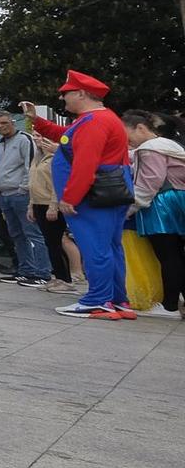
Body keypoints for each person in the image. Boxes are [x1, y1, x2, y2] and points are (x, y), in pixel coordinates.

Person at [27, 72, 135, 320]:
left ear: (81, 93)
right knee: (109, 247)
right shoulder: (98, 119)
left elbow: (85, 163)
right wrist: (38, 121)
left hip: (92, 196)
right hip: (106, 192)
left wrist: (70, 197)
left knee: (95, 247)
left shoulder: (93, 122)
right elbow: (66, 139)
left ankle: (98, 300)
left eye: (66, 93)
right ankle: (117, 300)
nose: (63, 98)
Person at [124, 109, 185, 320]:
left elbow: (149, 183)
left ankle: (169, 307)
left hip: (162, 204)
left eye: (128, 136)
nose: (128, 142)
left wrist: (129, 209)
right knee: (176, 254)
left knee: (168, 256)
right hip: (177, 200)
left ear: (140, 128)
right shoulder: (169, 144)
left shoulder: (150, 148)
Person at [0, 110, 51, 286]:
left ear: (12, 122)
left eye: (4, 123)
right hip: (4, 194)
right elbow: (0, 167)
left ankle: (42, 272)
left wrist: (24, 189)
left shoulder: (24, 139)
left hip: (19, 193)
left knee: (32, 233)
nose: (1, 126)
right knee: (16, 234)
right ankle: (26, 270)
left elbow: (30, 165)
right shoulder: (0, 143)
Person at [29, 130, 82, 292]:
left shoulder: (56, 158)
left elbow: (57, 183)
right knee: (50, 242)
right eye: (35, 136)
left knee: (57, 241)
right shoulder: (37, 157)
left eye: (40, 136)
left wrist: (54, 205)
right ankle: (59, 276)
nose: (37, 139)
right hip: (38, 202)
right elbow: (32, 182)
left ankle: (66, 278)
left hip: (50, 204)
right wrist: (30, 205)